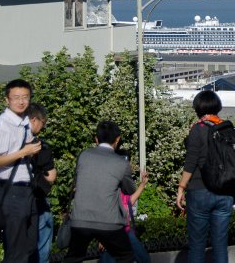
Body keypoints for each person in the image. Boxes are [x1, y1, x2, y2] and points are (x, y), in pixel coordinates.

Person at [0, 78, 42, 263]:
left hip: (27, 190)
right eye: (16, 97)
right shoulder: (0, 127)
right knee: (17, 250)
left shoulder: (24, 123)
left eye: (25, 97)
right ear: (7, 100)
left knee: (30, 246)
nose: (21, 101)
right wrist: (23, 152)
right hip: (11, 192)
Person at [64, 121, 136, 263]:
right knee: (126, 257)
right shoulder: (121, 163)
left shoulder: (84, 155)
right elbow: (129, 190)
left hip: (80, 220)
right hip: (109, 221)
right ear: (117, 139)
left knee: (73, 258)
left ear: (96, 139)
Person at [176, 91, 234, 263]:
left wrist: (181, 187)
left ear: (198, 107)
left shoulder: (198, 129)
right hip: (224, 191)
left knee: (197, 246)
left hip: (199, 190)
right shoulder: (227, 127)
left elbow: (191, 161)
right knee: (220, 245)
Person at [27, 103, 57, 263]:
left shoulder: (10, 142)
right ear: (34, 120)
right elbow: (51, 176)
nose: (43, 126)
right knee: (41, 249)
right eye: (43, 122)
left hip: (15, 203)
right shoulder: (41, 146)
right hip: (38, 201)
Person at [100, 166, 150, 263]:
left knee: (144, 259)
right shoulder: (105, 199)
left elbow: (134, 197)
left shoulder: (123, 197)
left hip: (126, 233)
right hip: (110, 235)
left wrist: (143, 183)